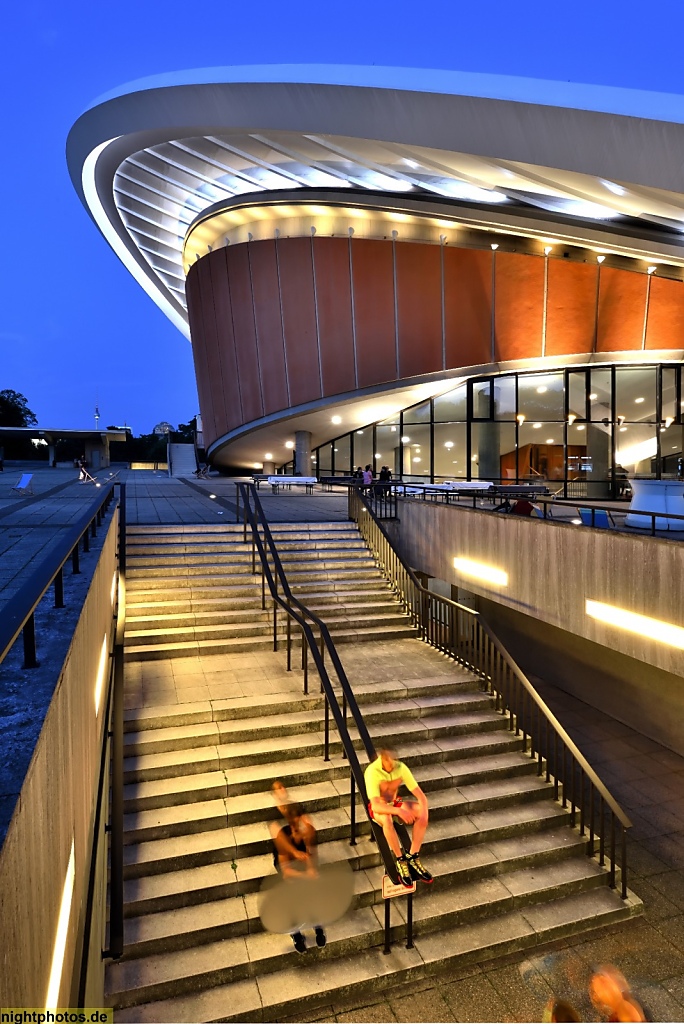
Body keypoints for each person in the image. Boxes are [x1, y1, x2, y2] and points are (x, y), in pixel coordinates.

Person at [269, 786, 326, 953]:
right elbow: (286, 872)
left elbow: (311, 854)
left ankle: (317, 926)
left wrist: (311, 870)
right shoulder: (283, 838)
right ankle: (296, 933)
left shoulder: (307, 832)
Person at [364, 746, 432, 887]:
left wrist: (424, 811)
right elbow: (376, 806)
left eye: (395, 761)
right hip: (381, 807)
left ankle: (413, 855)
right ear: (382, 759)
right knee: (388, 820)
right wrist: (400, 812)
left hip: (395, 803)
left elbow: (420, 794)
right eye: (390, 762)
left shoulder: (401, 767)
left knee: (422, 812)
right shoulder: (371, 771)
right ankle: (400, 859)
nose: (393, 765)